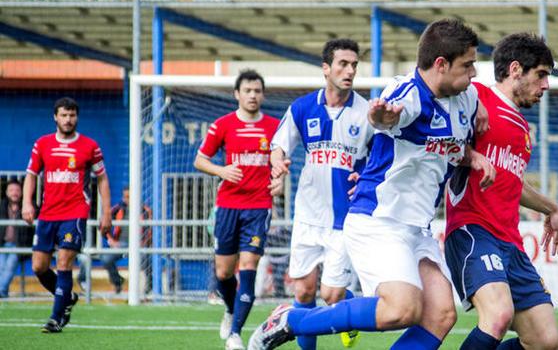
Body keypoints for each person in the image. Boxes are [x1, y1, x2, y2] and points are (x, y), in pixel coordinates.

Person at [250, 18, 494, 350]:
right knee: (402, 309)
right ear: (440, 64)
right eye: (468, 65)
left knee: (440, 315)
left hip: (417, 228)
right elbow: (385, 117)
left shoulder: (467, 97)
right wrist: (383, 117)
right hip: (379, 220)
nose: (474, 73)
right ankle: (291, 320)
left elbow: (449, 139)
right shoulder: (406, 94)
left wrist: (474, 153)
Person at [444, 32, 558, 350]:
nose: (546, 86)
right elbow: (424, 93)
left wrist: (550, 207)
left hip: (510, 242)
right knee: (497, 316)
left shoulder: (523, 130)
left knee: (546, 341)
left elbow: (512, 182)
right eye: (541, 75)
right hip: (472, 230)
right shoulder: (473, 95)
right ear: (515, 70)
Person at [269, 38, 374, 349]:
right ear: (326, 68)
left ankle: (348, 310)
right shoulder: (302, 107)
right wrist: (277, 164)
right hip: (307, 215)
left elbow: (380, 158)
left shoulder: (366, 113)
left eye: (354, 65)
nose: (350, 70)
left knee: (331, 295)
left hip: (345, 218)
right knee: (303, 293)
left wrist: (365, 177)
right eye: (343, 63)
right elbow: (279, 146)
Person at [194, 69, 280, 350]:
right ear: (237, 94)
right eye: (248, 91)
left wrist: (278, 180)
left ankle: (235, 334)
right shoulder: (223, 125)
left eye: (257, 91)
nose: (253, 96)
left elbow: (281, 163)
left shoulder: (274, 127)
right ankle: (230, 310)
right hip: (228, 206)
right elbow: (200, 160)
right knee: (223, 273)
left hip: (258, 207)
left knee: (249, 266)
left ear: (262, 94)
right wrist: (221, 170)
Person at [22, 97, 112, 333]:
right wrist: (27, 203)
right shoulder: (42, 144)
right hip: (48, 213)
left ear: (77, 117)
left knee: (64, 262)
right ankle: (68, 298)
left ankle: (56, 317)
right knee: (39, 267)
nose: (68, 119)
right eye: (64, 115)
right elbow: (31, 174)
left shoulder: (89, 146)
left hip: (75, 212)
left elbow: (102, 178)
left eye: (72, 115)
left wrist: (106, 213)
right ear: (55, 117)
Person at [78, 187, 151, 294]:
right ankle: (118, 282)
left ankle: (149, 287)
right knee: (106, 258)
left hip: (139, 246)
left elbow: (150, 230)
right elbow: (103, 224)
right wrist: (110, 240)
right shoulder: (117, 209)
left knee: (147, 260)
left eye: (129, 196)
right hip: (120, 244)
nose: (127, 199)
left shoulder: (145, 210)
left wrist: (144, 243)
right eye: (125, 197)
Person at [0, 180, 34, 298]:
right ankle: (3, 293)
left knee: (10, 265)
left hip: (20, 246)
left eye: (17, 190)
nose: (14, 193)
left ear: (22, 192)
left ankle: (1, 292)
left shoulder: (30, 207)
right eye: (11, 190)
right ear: (6, 192)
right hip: (3, 244)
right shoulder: (1, 206)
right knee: (1, 267)